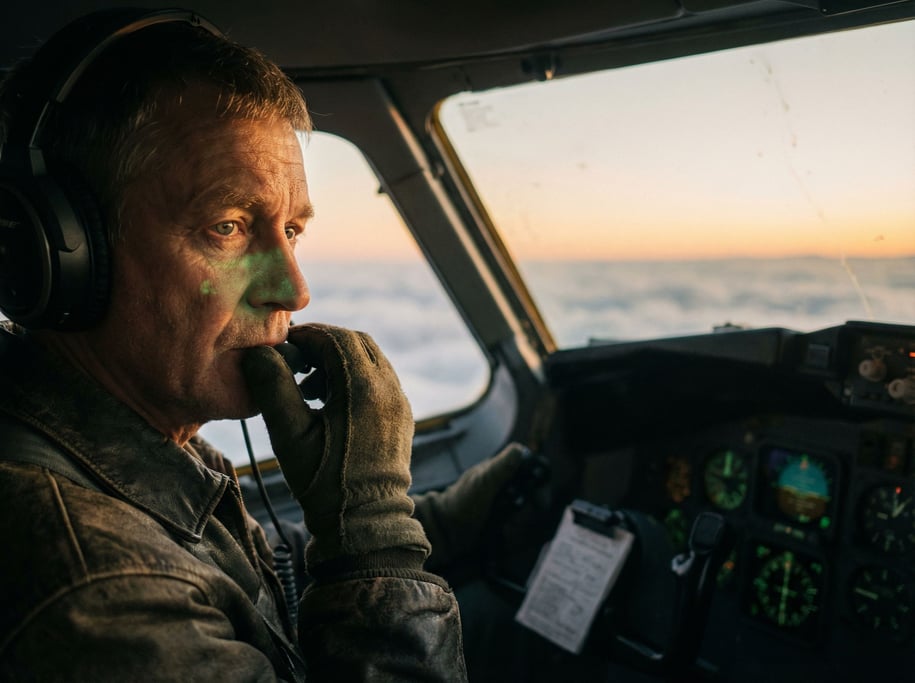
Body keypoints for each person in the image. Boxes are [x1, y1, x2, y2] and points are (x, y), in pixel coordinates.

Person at [0, 9, 525, 681]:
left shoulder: (129, 441)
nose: (292, 289)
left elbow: (233, 581)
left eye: (293, 228)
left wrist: (431, 522)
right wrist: (373, 538)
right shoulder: (96, 594)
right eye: (227, 226)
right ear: (66, 251)